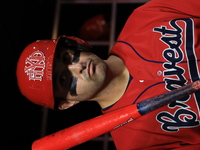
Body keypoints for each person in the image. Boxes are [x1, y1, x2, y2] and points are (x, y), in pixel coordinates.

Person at [17, 0, 200, 149]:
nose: (76, 67)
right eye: (63, 79)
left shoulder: (146, 18)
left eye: (66, 58)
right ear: (67, 102)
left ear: (76, 45)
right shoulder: (134, 143)